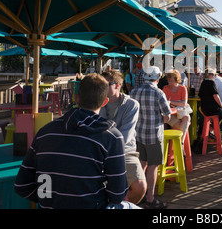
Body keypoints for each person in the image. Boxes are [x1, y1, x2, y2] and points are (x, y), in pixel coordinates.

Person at [14, 73, 138, 209]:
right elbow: (117, 194)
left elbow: (22, 185)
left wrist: (50, 198)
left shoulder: (45, 132)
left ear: (76, 99)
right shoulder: (111, 137)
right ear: (104, 102)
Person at [101, 70, 147, 205]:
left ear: (118, 85)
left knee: (140, 188)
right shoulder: (97, 102)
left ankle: (121, 205)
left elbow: (125, 136)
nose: (102, 87)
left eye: (107, 84)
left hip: (126, 151)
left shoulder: (131, 104)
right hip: (100, 151)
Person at [130, 66, 171, 209]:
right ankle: (150, 198)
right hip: (154, 135)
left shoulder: (134, 91)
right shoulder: (158, 92)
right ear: (158, 78)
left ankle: (138, 193)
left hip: (138, 133)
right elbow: (167, 117)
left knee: (142, 163)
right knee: (153, 166)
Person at [198, 68, 222, 132]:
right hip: (212, 109)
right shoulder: (211, 82)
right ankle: (219, 130)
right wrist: (221, 105)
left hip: (204, 109)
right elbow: (215, 96)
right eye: (214, 75)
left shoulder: (203, 83)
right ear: (209, 75)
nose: (214, 76)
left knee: (219, 115)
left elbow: (199, 94)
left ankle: (211, 129)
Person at [163, 69, 191, 139]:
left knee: (186, 118)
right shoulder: (165, 88)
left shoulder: (182, 88)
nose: (170, 83)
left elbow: (184, 104)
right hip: (171, 114)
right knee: (185, 125)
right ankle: (181, 143)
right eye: (169, 81)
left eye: (172, 81)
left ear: (177, 80)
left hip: (181, 112)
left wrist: (170, 102)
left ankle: (181, 142)